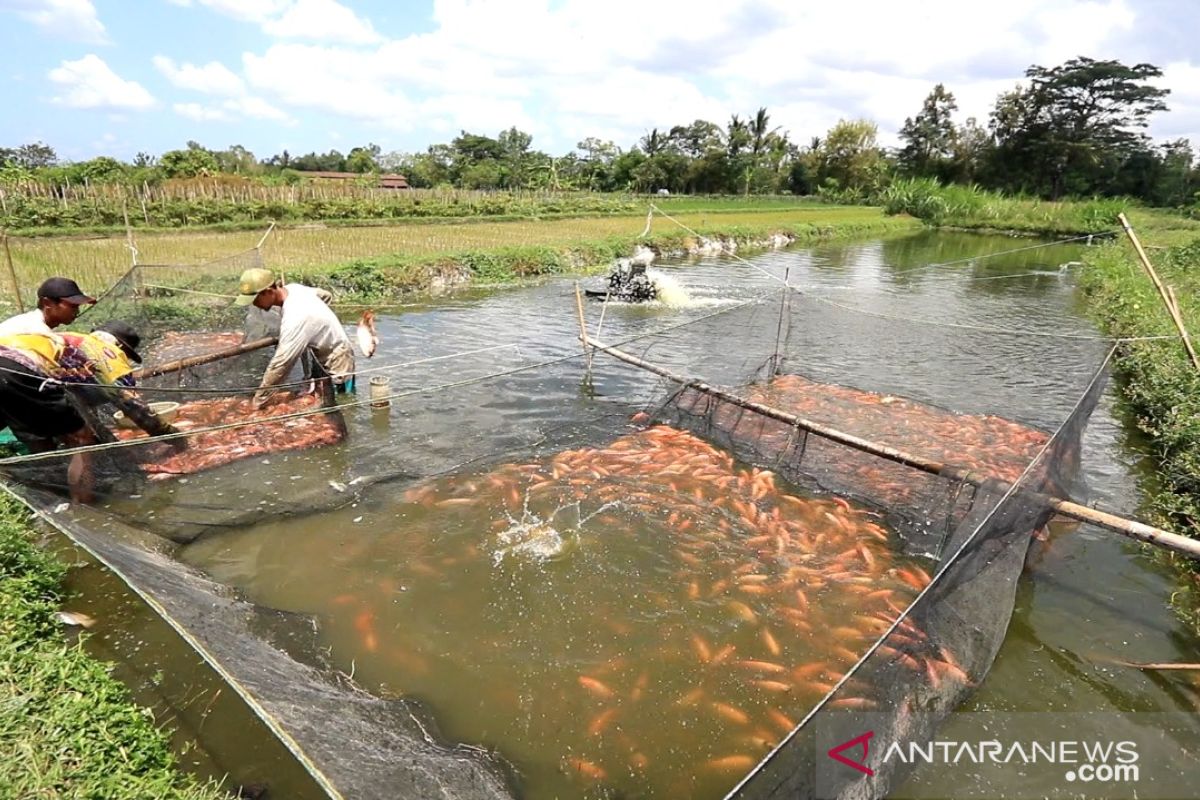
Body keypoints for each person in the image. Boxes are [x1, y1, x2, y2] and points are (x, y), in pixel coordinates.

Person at [0, 320, 185, 502]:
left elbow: (81, 410)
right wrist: (176, 438)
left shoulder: (73, 342)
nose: (125, 359)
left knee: (39, 438)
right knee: (81, 440)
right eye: (127, 354)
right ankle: (80, 505)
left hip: (9, 367)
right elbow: (134, 407)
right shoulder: (107, 352)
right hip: (17, 371)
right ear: (119, 345)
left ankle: (49, 497)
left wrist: (123, 456)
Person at [232, 268, 355, 407]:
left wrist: (258, 401)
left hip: (337, 358)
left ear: (268, 291)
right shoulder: (294, 289)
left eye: (255, 299)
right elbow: (325, 295)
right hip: (320, 352)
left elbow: (281, 364)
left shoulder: (296, 316)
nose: (254, 304)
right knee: (320, 393)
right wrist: (318, 323)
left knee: (342, 402)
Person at [0, 277, 96, 335]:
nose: (77, 312)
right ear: (47, 303)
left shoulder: (28, 321)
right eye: (72, 306)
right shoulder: (36, 331)